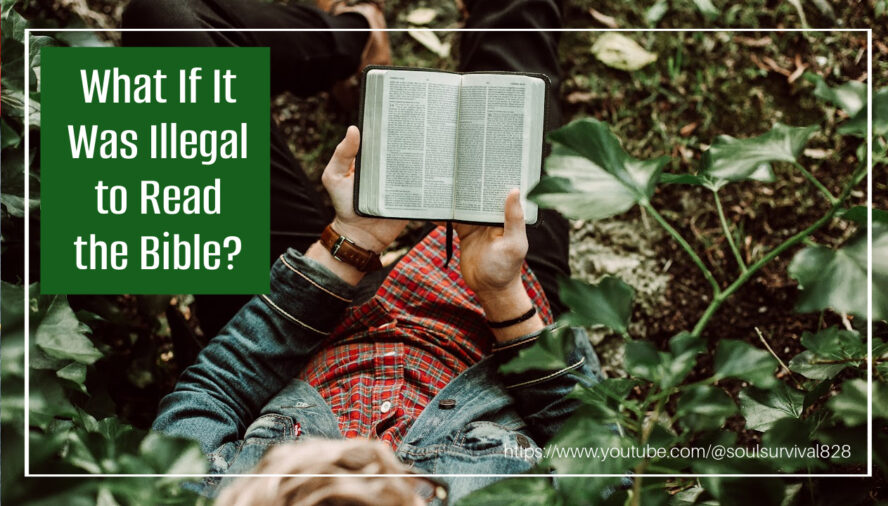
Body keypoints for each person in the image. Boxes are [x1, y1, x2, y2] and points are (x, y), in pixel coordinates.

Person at [123, 0, 604, 503]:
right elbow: (601, 464)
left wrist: (345, 249)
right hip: (491, 319)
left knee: (165, 25)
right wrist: (505, 297)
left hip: (302, 327)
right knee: (516, 48)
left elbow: (208, 397)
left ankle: (354, 35)